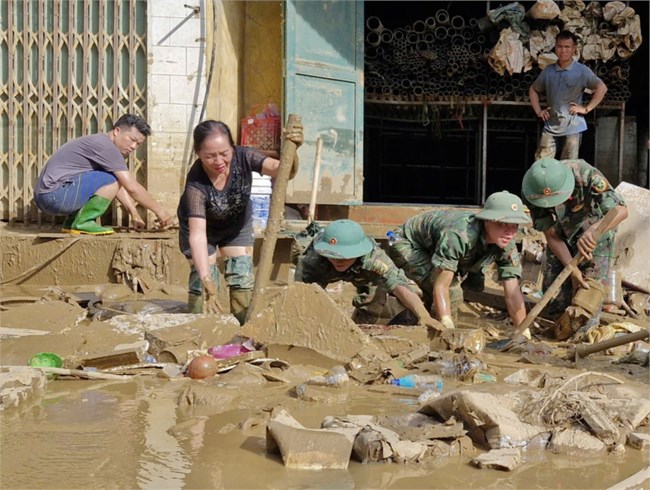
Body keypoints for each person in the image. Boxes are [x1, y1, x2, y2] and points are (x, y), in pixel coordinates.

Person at [177, 119, 302, 322]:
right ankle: (199, 327)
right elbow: (198, 235)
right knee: (204, 286)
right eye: (210, 156)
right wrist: (206, 277)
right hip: (202, 231)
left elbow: (284, 170)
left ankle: (244, 328)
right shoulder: (195, 186)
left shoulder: (245, 156)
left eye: (224, 153)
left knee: (242, 278)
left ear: (232, 148)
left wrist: (293, 152)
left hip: (236, 224)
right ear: (198, 153)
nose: (219, 161)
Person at [386, 191, 531, 333]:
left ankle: (410, 326)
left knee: (470, 286)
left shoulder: (506, 243)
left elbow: (512, 293)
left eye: (514, 226)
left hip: (433, 246)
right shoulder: (460, 235)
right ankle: (440, 338)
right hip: (404, 241)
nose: (509, 232)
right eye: (503, 224)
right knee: (452, 292)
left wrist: (523, 332)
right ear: (487, 220)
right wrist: (447, 325)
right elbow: (442, 286)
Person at [521, 157, 627, 324]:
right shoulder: (531, 191)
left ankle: (584, 334)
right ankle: (559, 329)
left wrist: (594, 231)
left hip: (597, 232)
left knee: (588, 292)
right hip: (562, 233)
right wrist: (572, 269)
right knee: (555, 295)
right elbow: (550, 234)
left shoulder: (584, 174)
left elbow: (621, 210)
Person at [34, 114, 174, 235]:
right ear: (117, 131)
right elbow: (131, 187)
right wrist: (160, 211)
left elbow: (115, 185)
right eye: (132, 139)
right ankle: (83, 222)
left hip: (48, 196)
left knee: (111, 177)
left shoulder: (102, 144)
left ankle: (71, 223)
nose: (133, 146)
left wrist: (133, 212)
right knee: (112, 178)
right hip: (53, 196)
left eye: (138, 144)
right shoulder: (106, 147)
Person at [294, 219, 442, 331]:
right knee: (309, 305)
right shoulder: (311, 261)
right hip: (322, 270)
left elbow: (398, 285)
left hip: (363, 271)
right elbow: (301, 298)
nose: (339, 261)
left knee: (376, 299)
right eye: (334, 255)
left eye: (345, 256)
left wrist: (424, 315)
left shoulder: (374, 259)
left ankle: (360, 328)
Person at [529, 30, 608, 161]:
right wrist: (538, 111)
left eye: (567, 47)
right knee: (541, 164)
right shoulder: (548, 71)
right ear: (555, 47)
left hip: (573, 126)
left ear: (574, 49)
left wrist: (586, 108)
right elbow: (533, 89)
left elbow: (602, 87)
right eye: (560, 46)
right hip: (551, 125)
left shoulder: (581, 70)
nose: (563, 50)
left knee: (568, 166)